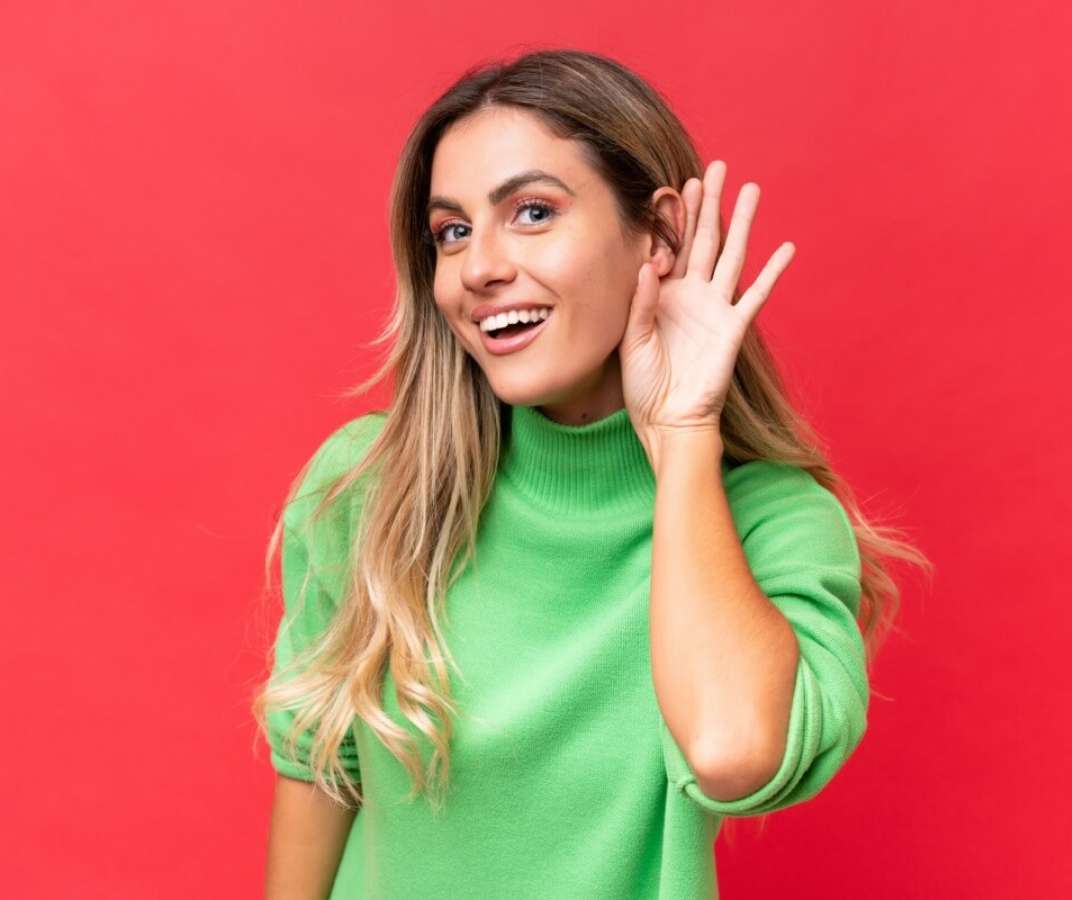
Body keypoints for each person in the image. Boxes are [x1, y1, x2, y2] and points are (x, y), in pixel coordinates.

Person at [251, 48, 930, 900]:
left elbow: (731, 753)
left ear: (660, 236)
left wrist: (682, 432)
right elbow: (318, 771)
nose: (479, 267)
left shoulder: (773, 521)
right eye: (452, 232)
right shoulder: (370, 489)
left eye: (533, 212)